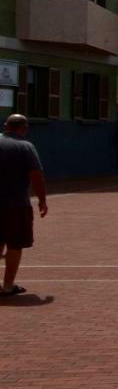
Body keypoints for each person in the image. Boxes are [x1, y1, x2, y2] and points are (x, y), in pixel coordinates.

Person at [0, 115, 47, 296]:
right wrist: (42, 199)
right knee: (15, 244)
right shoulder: (26, 147)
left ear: (6, 126)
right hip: (16, 204)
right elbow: (36, 175)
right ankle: (8, 285)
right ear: (24, 128)